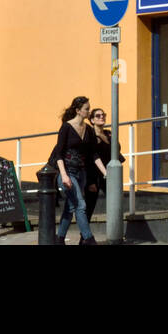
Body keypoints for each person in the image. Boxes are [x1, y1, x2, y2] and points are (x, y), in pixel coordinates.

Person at [53, 96, 98, 245]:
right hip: (67, 172)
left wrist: (106, 172)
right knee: (80, 205)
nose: (89, 111)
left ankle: (59, 239)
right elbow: (58, 153)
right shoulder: (66, 127)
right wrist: (64, 176)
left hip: (82, 173)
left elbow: (93, 155)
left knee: (70, 207)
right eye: (87, 109)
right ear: (78, 111)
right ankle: (89, 239)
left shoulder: (89, 130)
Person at [84, 107, 122, 223]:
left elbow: (117, 150)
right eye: (98, 116)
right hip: (94, 175)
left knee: (115, 202)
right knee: (89, 207)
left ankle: (115, 234)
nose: (102, 117)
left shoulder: (108, 134)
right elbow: (89, 158)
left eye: (103, 115)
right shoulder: (90, 136)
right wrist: (90, 181)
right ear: (92, 120)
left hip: (108, 174)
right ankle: (84, 236)